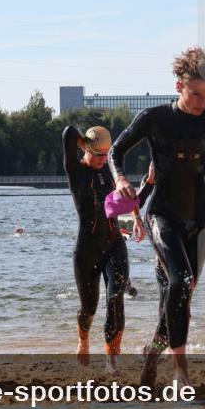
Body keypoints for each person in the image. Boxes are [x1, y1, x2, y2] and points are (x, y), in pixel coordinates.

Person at [109, 46, 205, 387]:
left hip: (199, 220)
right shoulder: (155, 118)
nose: (202, 102)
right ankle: (181, 373)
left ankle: (153, 350)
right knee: (180, 284)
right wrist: (121, 179)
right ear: (180, 85)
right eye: (196, 94)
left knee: (179, 293)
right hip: (162, 216)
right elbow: (115, 150)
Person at [63, 124, 145, 375]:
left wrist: (137, 219)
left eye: (105, 155)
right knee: (89, 308)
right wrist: (84, 141)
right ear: (86, 149)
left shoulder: (111, 173)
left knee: (115, 299)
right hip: (86, 249)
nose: (102, 160)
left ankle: (111, 359)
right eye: (97, 154)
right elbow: (68, 132)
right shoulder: (76, 171)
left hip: (114, 244)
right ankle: (83, 340)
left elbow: (128, 196)